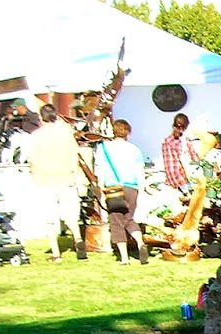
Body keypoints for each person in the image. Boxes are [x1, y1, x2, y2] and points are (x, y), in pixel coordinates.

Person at [29, 102, 86, 261]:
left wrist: (34, 175)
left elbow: (32, 160)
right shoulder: (65, 134)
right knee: (71, 213)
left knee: (50, 217)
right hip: (66, 176)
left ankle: (56, 253)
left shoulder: (36, 136)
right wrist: (74, 172)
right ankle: (78, 239)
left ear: (41, 118)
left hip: (45, 179)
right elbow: (75, 155)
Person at [95, 118, 148, 265]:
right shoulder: (135, 149)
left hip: (113, 188)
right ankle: (140, 243)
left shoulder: (103, 148)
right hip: (132, 187)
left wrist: (100, 187)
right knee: (129, 218)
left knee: (116, 221)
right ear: (128, 133)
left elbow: (100, 169)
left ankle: (124, 258)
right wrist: (141, 188)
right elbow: (140, 171)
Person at [160, 112, 199, 195]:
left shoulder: (167, 140)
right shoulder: (182, 140)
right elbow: (194, 159)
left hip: (174, 179)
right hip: (181, 180)